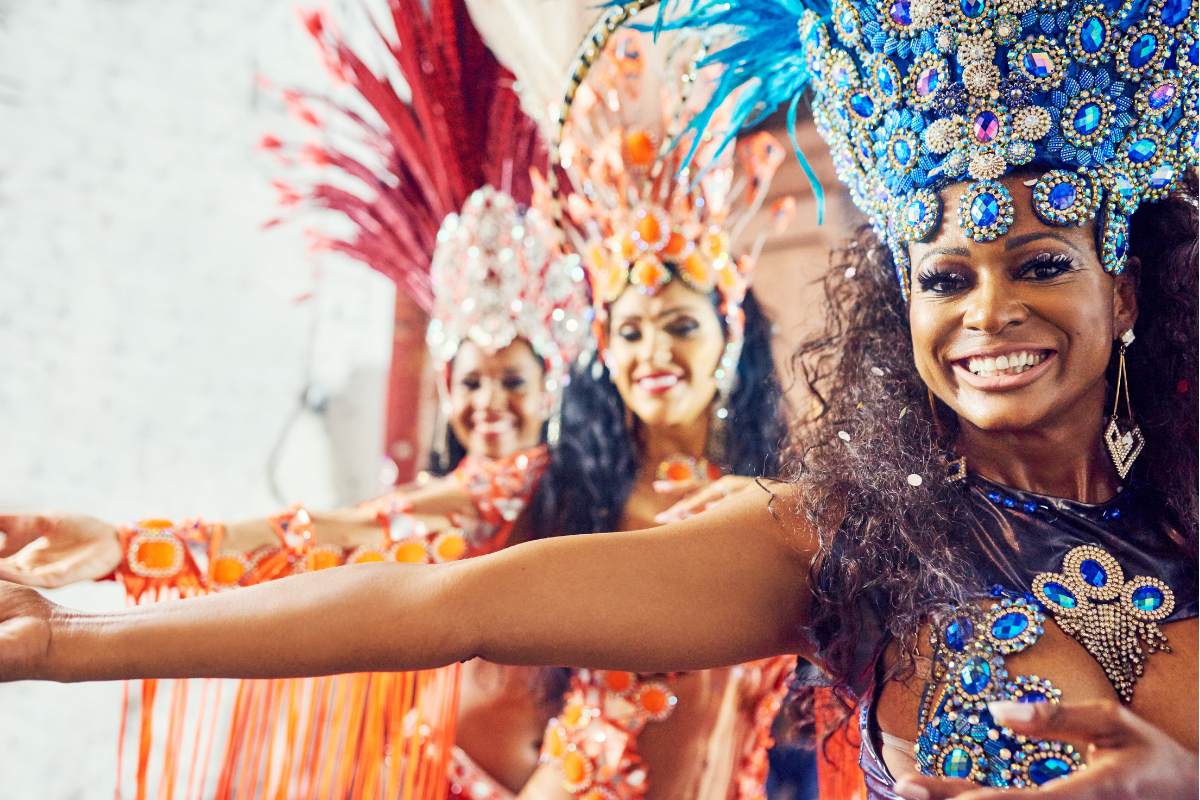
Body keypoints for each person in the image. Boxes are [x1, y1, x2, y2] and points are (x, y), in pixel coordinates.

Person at [2, 0, 1197, 798]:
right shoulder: (851, 543)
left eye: (1043, 262)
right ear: (905, 312)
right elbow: (440, 602)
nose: (988, 313)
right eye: (945, 277)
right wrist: (74, 637)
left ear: (1127, 291)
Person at [0, 0, 590, 796]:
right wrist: (132, 547)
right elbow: (324, 543)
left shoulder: (570, 495)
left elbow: (344, 535)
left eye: (512, 380)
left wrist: (134, 548)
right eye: (471, 381)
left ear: (549, 386)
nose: (490, 403)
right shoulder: (443, 498)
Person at [514, 24, 802, 800]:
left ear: (728, 333)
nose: (653, 353)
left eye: (679, 324)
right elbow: (399, 538)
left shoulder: (780, 491)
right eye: (630, 331)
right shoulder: (558, 486)